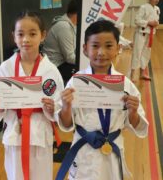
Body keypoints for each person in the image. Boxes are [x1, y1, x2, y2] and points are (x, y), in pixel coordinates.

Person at [55, 20, 148, 180]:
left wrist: (133, 112)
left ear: (118, 48)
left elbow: (137, 125)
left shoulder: (125, 84)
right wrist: (66, 107)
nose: (101, 52)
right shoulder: (76, 82)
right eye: (95, 46)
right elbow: (66, 123)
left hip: (112, 148)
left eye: (108, 46)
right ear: (85, 49)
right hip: (84, 149)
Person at [0, 10, 64, 180]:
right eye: (20, 34)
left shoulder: (51, 70)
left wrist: (53, 108)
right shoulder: (5, 68)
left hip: (40, 134)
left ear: (43, 35)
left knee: (41, 175)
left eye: (32, 34)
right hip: (15, 132)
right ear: (13, 36)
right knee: (15, 175)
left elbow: (60, 104)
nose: (26, 39)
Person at [42, 0, 78, 84]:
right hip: (54, 65)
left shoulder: (72, 25)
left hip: (62, 62)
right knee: (82, 71)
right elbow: (69, 58)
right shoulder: (64, 27)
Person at [130, 0, 161, 82]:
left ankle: (142, 73)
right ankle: (132, 74)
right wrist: (148, 23)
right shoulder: (143, 7)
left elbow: (155, 20)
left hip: (151, 33)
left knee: (146, 53)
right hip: (141, 33)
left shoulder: (157, 9)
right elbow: (137, 20)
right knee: (137, 53)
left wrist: (156, 23)